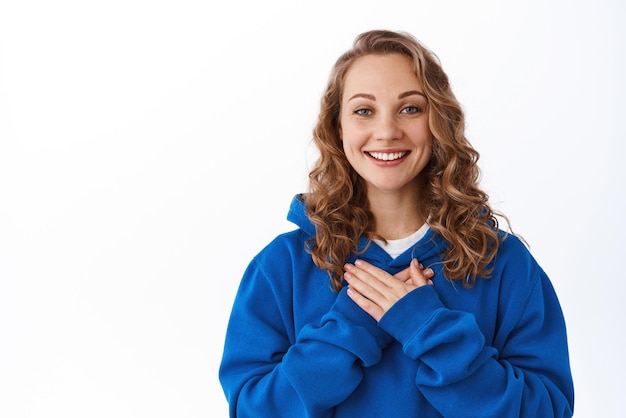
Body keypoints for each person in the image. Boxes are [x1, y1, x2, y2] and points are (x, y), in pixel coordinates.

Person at [218, 29, 574, 417]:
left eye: (410, 108)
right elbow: (253, 411)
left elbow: (546, 410)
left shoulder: (504, 263)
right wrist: (351, 329)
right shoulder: (281, 268)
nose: (387, 131)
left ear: (438, 121)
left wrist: (427, 328)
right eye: (363, 111)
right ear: (338, 129)